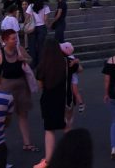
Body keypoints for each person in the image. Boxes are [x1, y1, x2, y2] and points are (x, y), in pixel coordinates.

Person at [0, 29, 35, 150]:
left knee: (23, 115)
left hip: (21, 86)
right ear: (5, 40)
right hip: (5, 87)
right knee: (1, 117)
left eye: (16, 38)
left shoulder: (20, 49)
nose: (15, 41)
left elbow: (30, 60)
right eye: (13, 38)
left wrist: (23, 60)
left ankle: (27, 143)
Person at [36, 39, 76, 168]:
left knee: (49, 130)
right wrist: (76, 61)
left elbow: (40, 85)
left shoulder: (43, 65)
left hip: (49, 100)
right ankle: (70, 156)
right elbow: (79, 69)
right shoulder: (66, 62)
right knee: (67, 127)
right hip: (64, 99)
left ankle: (48, 160)